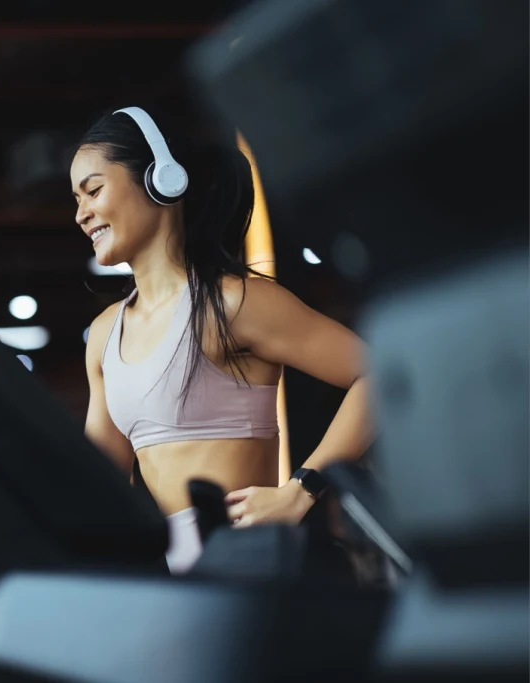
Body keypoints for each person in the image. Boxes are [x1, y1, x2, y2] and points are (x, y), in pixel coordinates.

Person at [75, 107, 375, 573]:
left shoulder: (235, 303)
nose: (81, 213)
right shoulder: (104, 334)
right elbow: (98, 487)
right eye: (76, 199)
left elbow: (379, 374)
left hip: (252, 568)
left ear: (162, 180)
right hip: (170, 582)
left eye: (93, 190)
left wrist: (299, 492)